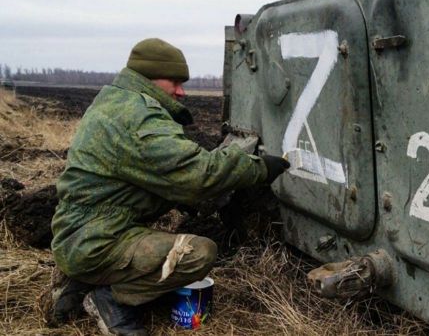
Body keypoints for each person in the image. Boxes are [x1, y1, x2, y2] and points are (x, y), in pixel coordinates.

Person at [45, 38, 289, 335]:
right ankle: (110, 300)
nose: (181, 91)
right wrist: (260, 168)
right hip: (96, 241)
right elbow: (199, 174)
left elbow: (156, 173)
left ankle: (80, 280)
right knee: (197, 253)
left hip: (80, 233)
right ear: (148, 77)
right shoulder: (138, 117)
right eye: (174, 81)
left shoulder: (115, 100)